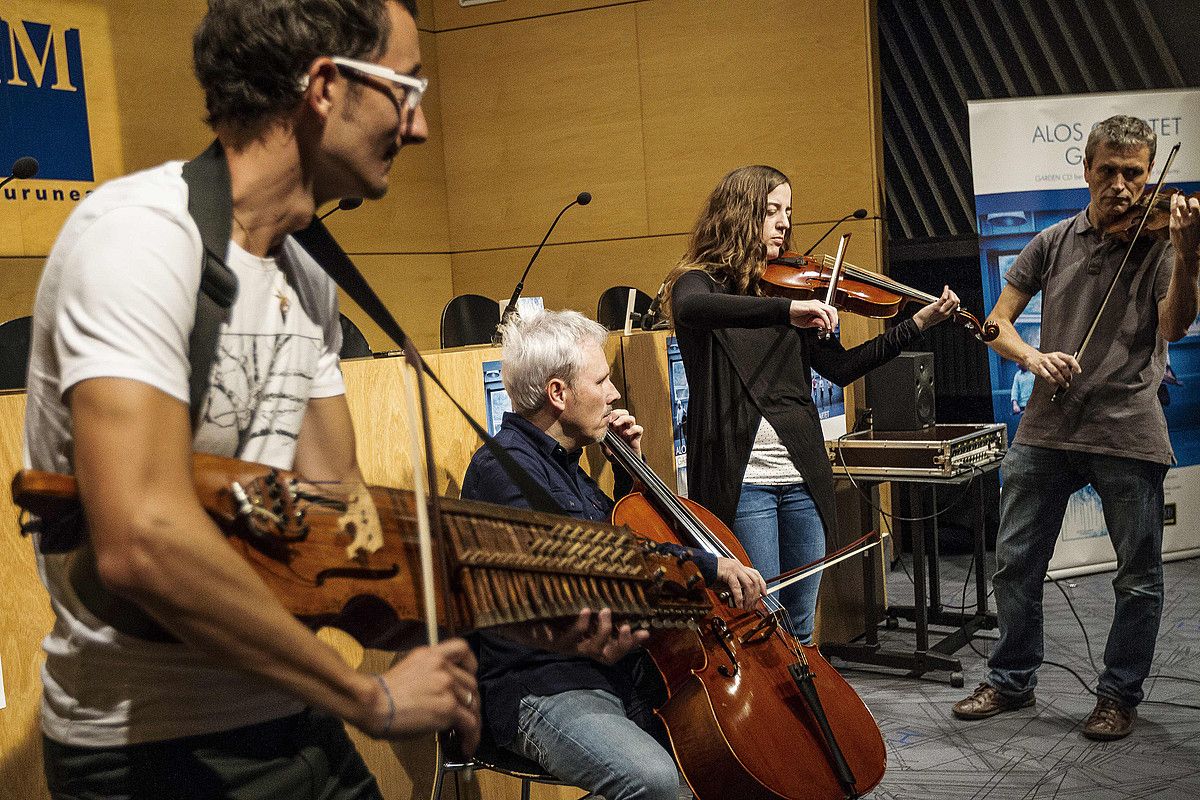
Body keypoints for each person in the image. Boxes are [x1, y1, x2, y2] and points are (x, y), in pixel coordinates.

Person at [23, 2, 620, 797]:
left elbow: (344, 528)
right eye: (407, 88)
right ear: (325, 86)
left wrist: (516, 610)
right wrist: (369, 697)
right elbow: (142, 540)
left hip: (291, 710)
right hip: (152, 750)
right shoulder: (140, 238)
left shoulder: (305, 278)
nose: (419, 128)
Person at [951, 115, 1200, 741]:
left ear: (1149, 177)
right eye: (1109, 171)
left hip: (1128, 428)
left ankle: (1118, 696)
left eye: (1135, 174)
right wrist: (1032, 358)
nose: (1121, 186)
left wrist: (1190, 249)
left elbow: (1172, 328)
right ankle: (1011, 679)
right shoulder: (1053, 241)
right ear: (1086, 171)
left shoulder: (1163, 244)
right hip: (1047, 423)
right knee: (1014, 563)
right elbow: (996, 323)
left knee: (1137, 577)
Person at [461, 309, 767, 800]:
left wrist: (630, 475)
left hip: (615, 669)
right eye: (601, 380)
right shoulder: (504, 472)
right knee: (657, 781)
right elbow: (603, 561)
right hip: (542, 685)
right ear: (559, 393)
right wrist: (710, 565)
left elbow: (623, 533)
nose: (614, 393)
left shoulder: (567, 467)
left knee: (725, 748)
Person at [664, 164, 960, 645]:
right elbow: (692, 309)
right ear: (740, 214)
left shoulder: (792, 286)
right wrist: (787, 310)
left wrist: (915, 325)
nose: (784, 223)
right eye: (771, 210)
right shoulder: (701, 284)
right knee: (759, 623)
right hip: (745, 484)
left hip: (803, 476)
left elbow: (840, 369)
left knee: (800, 626)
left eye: (788, 211)